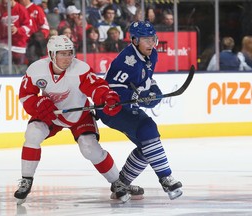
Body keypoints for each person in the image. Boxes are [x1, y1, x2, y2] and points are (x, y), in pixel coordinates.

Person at [14, 35, 142, 205]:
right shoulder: (36, 70)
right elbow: (25, 95)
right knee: (32, 134)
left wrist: (108, 97)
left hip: (79, 115)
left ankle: (116, 182)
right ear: (52, 54)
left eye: (70, 53)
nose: (67, 58)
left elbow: (97, 87)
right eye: (62, 54)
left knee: (89, 148)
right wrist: (37, 103)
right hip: (51, 115)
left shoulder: (80, 69)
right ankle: (26, 180)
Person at [96, 21, 183, 200]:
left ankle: (121, 184)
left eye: (153, 39)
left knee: (148, 146)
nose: (151, 43)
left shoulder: (152, 55)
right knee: (148, 129)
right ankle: (166, 178)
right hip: (112, 109)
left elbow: (148, 79)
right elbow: (112, 89)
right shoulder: (126, 60)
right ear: (135, 40)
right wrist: (138, 97)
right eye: (146, 39)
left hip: (127, 107)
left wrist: (154, 91)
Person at [0, 0, 31, 65]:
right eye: (3, 3)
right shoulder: (0, 9)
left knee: (19, 70)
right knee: (4, 68)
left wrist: (17, 30)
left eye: (6, 3)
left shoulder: (21, 9)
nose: (4, 5)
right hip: (4, 45)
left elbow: (28, 27)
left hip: (18, 46)